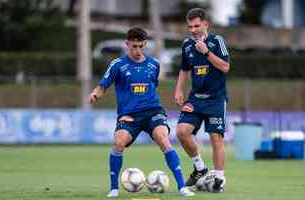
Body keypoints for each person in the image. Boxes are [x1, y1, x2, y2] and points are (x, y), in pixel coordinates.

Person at [90, 27, 194, 198]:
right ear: (127, 44)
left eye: (140, 46)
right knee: (118, 142)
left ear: (145, 44)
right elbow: (102, 86)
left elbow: (153, 87)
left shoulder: (154, 65)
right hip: (129, 116)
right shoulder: (118, 65)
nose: (137, 50)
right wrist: (95, 94)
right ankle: (114, 188)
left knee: (163, 138)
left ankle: (182, 187)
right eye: (133, 46)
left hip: (153, 111)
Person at [174, 8, 230, 192]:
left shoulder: (217, 41)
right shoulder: (187, 45)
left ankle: (219, 178)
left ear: (206, 24)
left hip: (215, 99)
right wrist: (179, 89)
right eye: (190, 26)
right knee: (182, 132)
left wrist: (206, 52)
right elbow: (184, 69)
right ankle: (200, 168)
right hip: (195, 99)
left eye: (197, 25)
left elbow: (225, 67)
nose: (193, 30)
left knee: (216, 138)